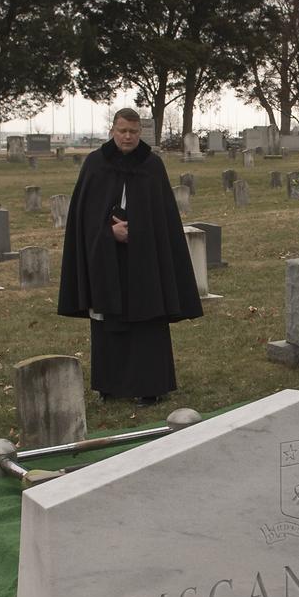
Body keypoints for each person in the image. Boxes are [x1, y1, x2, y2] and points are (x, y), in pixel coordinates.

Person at [58, 108, 202, 404]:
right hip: (106, 258)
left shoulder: (152, 165)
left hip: (145, 259)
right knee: (108, 319)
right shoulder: (96, 164)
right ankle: (110, 385)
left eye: (133, 132)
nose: (127, 137)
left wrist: (138, 231)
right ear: (113, 130)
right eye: (122, 131)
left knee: (147, 319)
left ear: (140, 133)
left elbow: (163, 219)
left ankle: (151, 386)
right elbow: (83, 219)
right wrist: (108, 233)